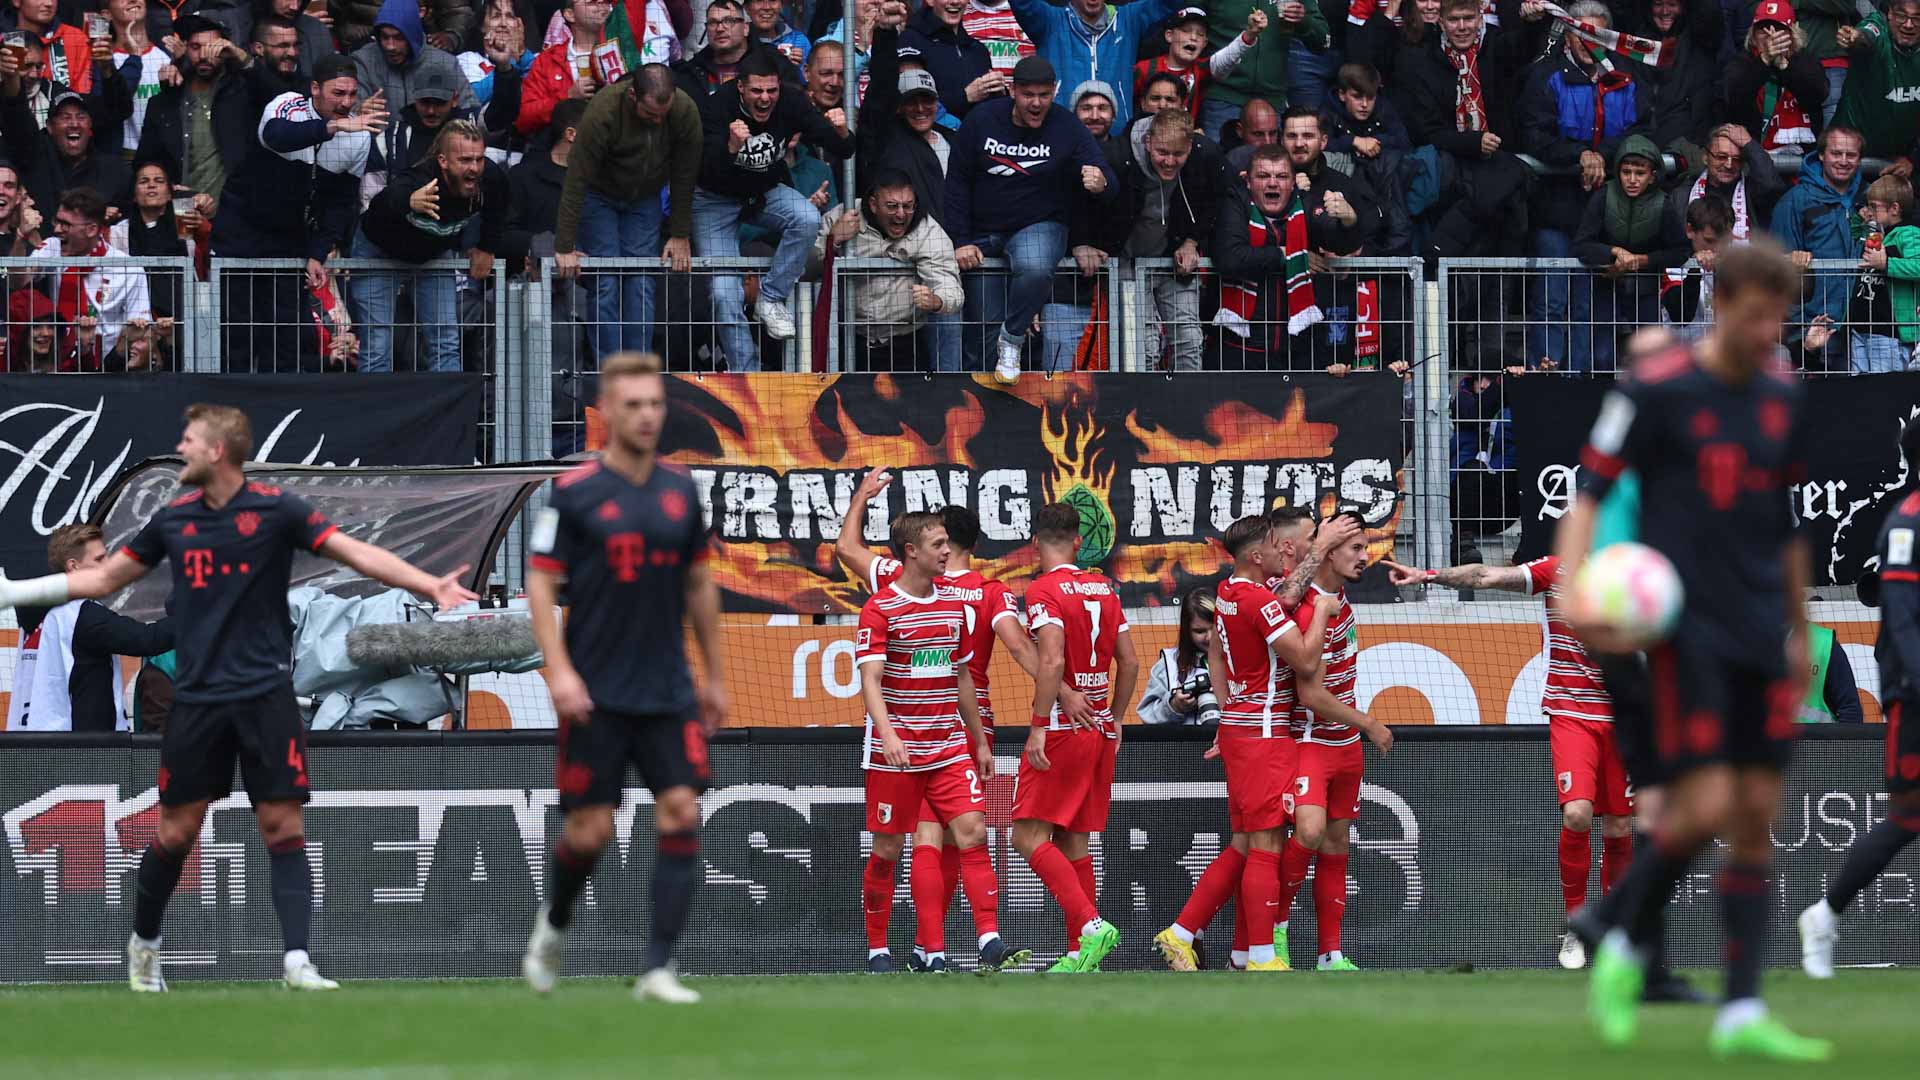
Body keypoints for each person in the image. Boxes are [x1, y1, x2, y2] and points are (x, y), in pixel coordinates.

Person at [0, 403, 475, 994]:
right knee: (177, 831)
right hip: (199, 700)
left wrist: (429, 584)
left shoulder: (278, 511)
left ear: (218, 451)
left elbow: (358, 554)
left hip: (266, 695)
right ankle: (144, 944)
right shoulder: (173, 520)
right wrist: (16, 592)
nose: (182, 447)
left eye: (191, 439)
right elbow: (101, 579)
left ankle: (297, 960)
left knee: (282, 825)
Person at [1563, 238, 1831, 1062]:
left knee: (1755, 818)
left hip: (1760, 627)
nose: (1768, 334)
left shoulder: (1783, 395)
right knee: (1706, 806)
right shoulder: (1656, 389)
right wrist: (1574, 588)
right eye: (1756, 317)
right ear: (1720, 306)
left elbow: (1788, 527)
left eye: (1778, 320)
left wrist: (1799, 628)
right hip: (1690, 631)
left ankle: (1741, 1008)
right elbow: (1587, 493)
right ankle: (1614, 931)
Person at [520, 352, 724, 1005]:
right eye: (633, 405)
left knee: (681, 809)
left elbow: (699, 582)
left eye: (655, 404)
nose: (646, 415)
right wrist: (558, 671)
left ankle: (658, 969)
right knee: (591, 831)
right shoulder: (574, 491)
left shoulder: (681, 489)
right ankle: (554, 923)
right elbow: (541, 582)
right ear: (606, 410)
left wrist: (715, 676)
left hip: (667, 687)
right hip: (596, 690)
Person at [835, 475, 1063, 970]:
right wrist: (889, 736)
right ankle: (879, 948)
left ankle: (988, 941)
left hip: (948, 745)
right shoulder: (880, 606)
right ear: (911, 552)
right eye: (939, 545)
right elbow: (870, 680)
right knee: (888, 849)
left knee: (974, 832)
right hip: (897, 750)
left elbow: (961, 677)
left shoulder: (954, 602)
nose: (948, 553)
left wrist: (978, 741)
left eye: (947, 543)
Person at [1152, 511, 1336, 972]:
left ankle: (1190, 936)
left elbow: (1215, 654)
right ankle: (1261, 957)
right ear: (1257, 555)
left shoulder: (1227, 592)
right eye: (1274, 546)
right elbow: (1305, 661)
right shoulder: (1258, 601)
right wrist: (1323, 612)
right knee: (1266, 845)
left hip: (1240, 728)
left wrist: (1226, 710)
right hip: (1264, 734)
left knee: (1242, 845)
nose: (1280, 552)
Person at [1798, 422, 1920, 976]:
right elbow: (1901, 616)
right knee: (1908, 816)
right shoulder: (1907, 525)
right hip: (1913, 695)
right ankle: (1825, 914)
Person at [1011, 501, 1137, 975]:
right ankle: (1079, 954)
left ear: (1035, 542)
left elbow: (1052, 660)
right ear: (1079, 541)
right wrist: (1116, 717)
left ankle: (1090, 925)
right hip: (1099, 728)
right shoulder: (1103, 587)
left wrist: (1039, 725)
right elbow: (1131, 661)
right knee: (1074, 842)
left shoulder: (1042, 590)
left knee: (1025, 835)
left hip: (1064, 730)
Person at [211, 53, 387, 372]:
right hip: (242, 231)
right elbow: (276, 136)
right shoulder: (287, 104)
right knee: (238, 330)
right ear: (315, 88)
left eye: (352, 94)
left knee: (285, 334)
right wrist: (332, 127)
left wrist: (318, 252)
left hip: (291, 237)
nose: (347, 102)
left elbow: (340, 203)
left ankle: (280, 399)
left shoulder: (359, 136)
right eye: (338, 93)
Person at [1272, 512, 1393, 971]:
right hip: (1310, 741)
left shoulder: (1339, 598)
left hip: (1345, 749)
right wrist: (1369, 724)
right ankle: (1275, 931)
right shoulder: (1309, 608)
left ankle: (1331, 953)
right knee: (1308, 831)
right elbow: (1311, 694)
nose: (1365, 557)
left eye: (1365, 548)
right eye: (1356, 548)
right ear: (1329, 553)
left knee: (1337, 843)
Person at [945, 54, 1113, 382]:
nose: (1036, 103)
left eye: (1044, 95)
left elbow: (1108, 177)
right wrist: (960, 239)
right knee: (983, 329)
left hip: (1039, 225)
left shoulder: (1067, 126)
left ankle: (1012, 340)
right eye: (1028, 95)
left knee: (1035, 265)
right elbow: (956, 183)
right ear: (1012, 91)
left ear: (1054, 92)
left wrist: (1101, 182)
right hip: (982, 233)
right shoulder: (981, 120)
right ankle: (984, 401)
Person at [692, 50, 851, 368]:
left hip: (763, 191)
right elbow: (705, 170)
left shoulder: (791, 102)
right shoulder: (717, 105)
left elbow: (843, 149)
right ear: (741, 87)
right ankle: (747, 371)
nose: (765, 99)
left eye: (771, 90)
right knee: (724, 293)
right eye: (757, 91)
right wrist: (731, 147)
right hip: (714, 199)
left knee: (807, 217)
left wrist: (842, 130)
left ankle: (771, 297)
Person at [1519, 0, 1652, 372]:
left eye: (1596, 35)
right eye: (1581, 33)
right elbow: (1534, 134)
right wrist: (1578, 155)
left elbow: (1642, 130)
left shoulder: (1627, 76)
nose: (1587, 42)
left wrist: (1601, 156)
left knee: (1592, 304)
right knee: (1552, 300)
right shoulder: (1545, 75)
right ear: (1567, 35)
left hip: (1606, 213)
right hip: (1555, 211)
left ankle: (1587, 381)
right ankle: (1546, 380)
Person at [353, 119, 509, 372]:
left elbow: (498, 210)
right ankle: (377, 399)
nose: (474, 168)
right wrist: (408, 201)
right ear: (443, 161)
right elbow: (379, 206)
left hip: (432, 255)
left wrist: (487, 247)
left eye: (479, 159)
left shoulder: (490, 178)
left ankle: (448, 399)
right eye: (465, 160)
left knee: (446, 339)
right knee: (377, 343)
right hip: (379, 252)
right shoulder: (419, 180)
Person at [5, 524, 173, 732]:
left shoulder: (51, 610)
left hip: (53, 736)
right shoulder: (83, 615)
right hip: (84, 743)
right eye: (99, 559)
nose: (108, 565)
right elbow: (147, 639)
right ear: (73, 566)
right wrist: (197, 618)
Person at [1091, 107, 1218, 372]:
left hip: (1173, 263)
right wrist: (1084, 243)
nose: (1169, 161)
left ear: (1190, 147)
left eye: (1178, 154)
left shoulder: (1204, 156)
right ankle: (1144, 399)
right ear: (1148, 142)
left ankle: (1188, 400)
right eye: (1162, 152)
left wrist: (1192, 241)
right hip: (1127, 263)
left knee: (1189, 340)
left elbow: (1214, 202)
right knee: (1144, 348)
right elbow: (1084, 204)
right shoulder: (1118, 156)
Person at [1212, 145, 1358, 369]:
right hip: (1241, 348)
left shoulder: (1304, 203)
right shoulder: (1234, 203)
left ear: (1292, 183)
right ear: (1248, 181)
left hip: (1297, 349)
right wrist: (1286, 255)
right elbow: (1230, 257)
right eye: (1263, 176)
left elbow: (1338, 243)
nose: (1273, 183)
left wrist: (1349, 221)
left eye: (1281, 176)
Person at [807, 168, 962, 370]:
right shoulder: (844, 215)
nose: (901, 214)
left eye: (908, 206)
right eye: (892, 206)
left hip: (906, 342)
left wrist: (937, 300)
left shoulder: (927, 230)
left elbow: (951, 286)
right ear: (873, 204)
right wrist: (833, 240)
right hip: (848, 338)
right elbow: (805, 270)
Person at [131, 14, 278, 212]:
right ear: (185, 48)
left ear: (226, 49)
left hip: (235, 211)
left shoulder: (243, 93)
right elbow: (146, 159)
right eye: (195, 47)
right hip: (182, 210)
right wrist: (169, 189)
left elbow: (278, 96)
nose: (203, 55)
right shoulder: (165, 101)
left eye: (212, 47)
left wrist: (241, 56)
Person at [1572, 135, 1688, 373]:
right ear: (1618, 172)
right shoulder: (1604, 196)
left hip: (1645, 287)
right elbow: (1582, 244)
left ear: (1652, 175)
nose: (1632, 180)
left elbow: (1680, 251)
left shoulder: (1663, 204)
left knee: (1651, 357)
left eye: (1640, 173)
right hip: (1605, 284)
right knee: (1602, 356)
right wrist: (1614, 253)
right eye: (1626, 172)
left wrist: (1642, 261)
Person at [1005, 0, 1184, 129]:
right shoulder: (1050, 21)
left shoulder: (1128, 20)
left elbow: (1169, 3)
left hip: (1115, 134)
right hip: (1060, 134)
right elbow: (1023, 3)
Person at [1770, 125, 1862, 372]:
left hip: (1863, 328)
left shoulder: (1869, 198)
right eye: (1836, 153)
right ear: (1821, 155)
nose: (1843, 161)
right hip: (1812, 328)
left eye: (1851, 155)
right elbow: (1776, 265)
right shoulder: (1795, 201)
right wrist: (1796, 330)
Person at [28, 186, 151, 367]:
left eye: (65, 224)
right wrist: (22, 235)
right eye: (57, 221)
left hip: (108, 367)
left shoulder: (129, 268)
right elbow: (18, 280)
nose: (57, 229)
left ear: (92, 229)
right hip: (55, 366)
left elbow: (139, 328)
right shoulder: (53, 247)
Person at [1200, 0, 1328, 144]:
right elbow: (1189, 24)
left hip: (1272, 101)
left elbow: (1323, 41)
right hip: (1222, 97)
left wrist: (1304, 21)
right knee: (1215, 158)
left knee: (1272, 158)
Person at [1724, 1, 1826, 154]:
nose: (1771, 36)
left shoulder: (1805, 60)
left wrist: (1785, 66)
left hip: (1802, 153)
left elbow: (1817, 95)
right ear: (1753, 37)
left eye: (1779, 29)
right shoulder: (1742, 62)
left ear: (1793, 35)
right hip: (1753, 152)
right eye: (1763, 30)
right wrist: (1764, 60)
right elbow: (1734, 99)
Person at [1843, 175, 1920, 374]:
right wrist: (1859, 218)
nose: (1869, 211)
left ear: (1894, 208)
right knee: (1858, 384)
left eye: (1874, 206)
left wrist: (1886, 264)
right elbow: (1856, 235)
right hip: (1861, 324)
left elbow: (1918, 266)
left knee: (1884, 384)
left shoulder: (1908, 233)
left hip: (1888, 329)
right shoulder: (1877, 233)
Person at [1831, 0, 1920, 169]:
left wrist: (1913, 159)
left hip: (1898, 162)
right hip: (1849, 157)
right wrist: (1854, 38)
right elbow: (1866, 36)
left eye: (1917, 18)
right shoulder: (1878, 26)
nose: (1908, 25)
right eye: (1902, 16)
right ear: (1890, 13)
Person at [1135, 6, 1261, 123]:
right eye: (1186, 31)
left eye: (1200, 34)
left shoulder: (1201, 69)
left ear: (1205, 43)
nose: (1193, 37)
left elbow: (1227, 56)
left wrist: (1249, 34)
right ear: (1169, 35)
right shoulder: (1144, 68)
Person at [352, 0, 469, 115]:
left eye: (399, 38)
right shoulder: (364, 60)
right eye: (385, 37)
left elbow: (470, 110)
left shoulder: (446, 63)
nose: (390, 46)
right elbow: (349, 107)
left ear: (413, 36)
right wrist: (358, 111)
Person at [1676, 124, 1784, 242]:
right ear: (1705, 157)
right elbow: (1675, 246)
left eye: (1736, 159)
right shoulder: (1683, 195)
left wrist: (1749, 144)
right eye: (1721, 157)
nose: (1729, 165)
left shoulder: (1751, 192)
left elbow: (1771, 185)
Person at [517, 0, 610, 136]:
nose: (601, 2)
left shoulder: (626, 50)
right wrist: (567, 96)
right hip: (563, 142)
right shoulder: (548, 60)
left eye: (606, 1)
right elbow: (525, 118)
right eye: (591, 1)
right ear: (570, 14)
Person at [897, 0, 996, 126]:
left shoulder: (977, 49)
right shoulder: (911, 41)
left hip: (974, 135)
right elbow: (914, 106)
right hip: (931, 136)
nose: (955, 1)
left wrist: (998, 93)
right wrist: (965, 96)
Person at [1138, 589, 1214, 725]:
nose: (1209, 637)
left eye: (1215, 628)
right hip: (1185, 739)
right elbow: (1146, 715)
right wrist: (1173, 706)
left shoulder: (1243, 661)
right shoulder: (1169, 664)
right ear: (1187, 630)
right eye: (1200, 631)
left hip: (1231, 737)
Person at [745, 0, 808, 68]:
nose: (767, 7)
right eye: (759, 0)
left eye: (773, 0)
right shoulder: (741, 42)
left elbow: (810, 72)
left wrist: (798, 69)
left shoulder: (798, 40)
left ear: (781, 6)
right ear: (747, 8)